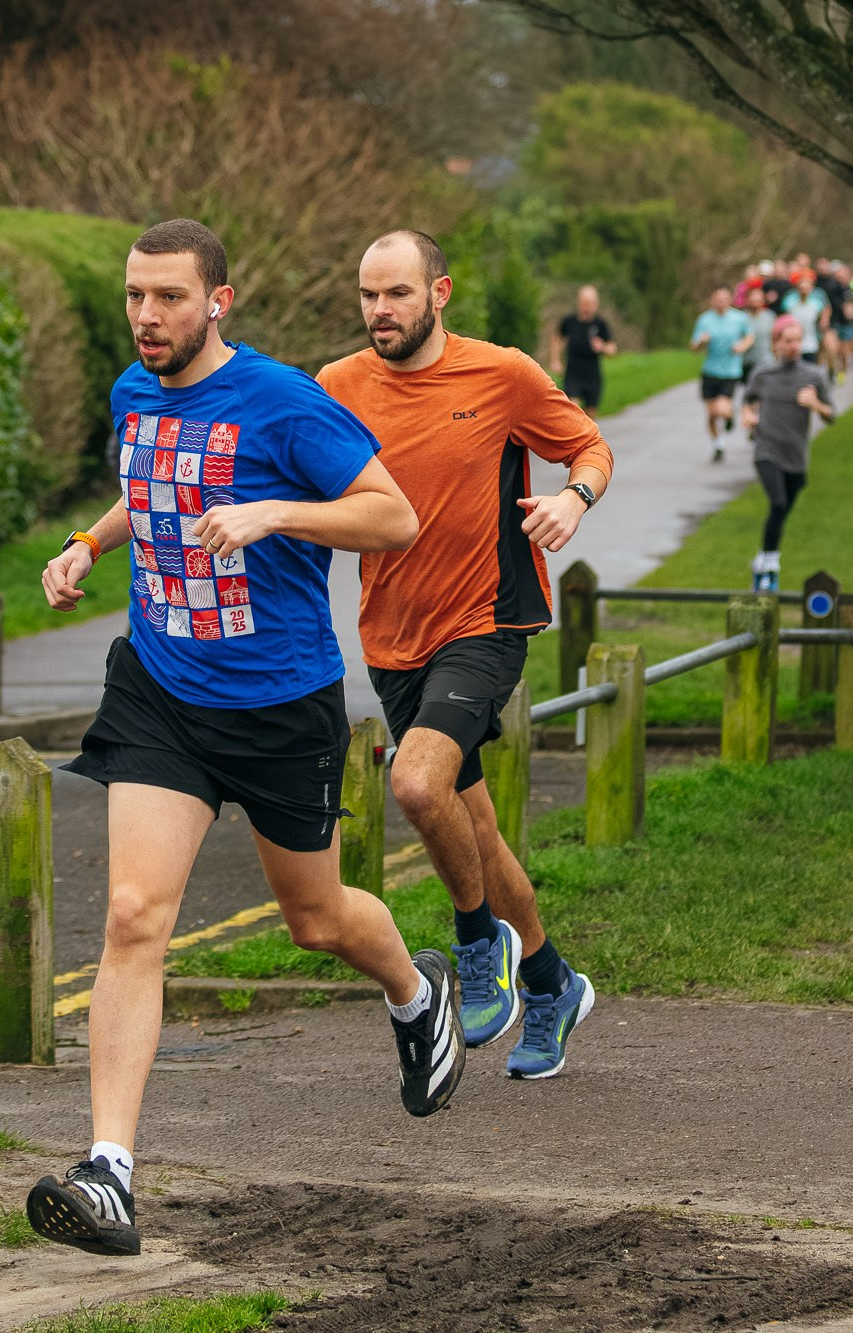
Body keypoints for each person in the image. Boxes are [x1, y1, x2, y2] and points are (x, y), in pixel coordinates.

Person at [27, 219, 462, 1259]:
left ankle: (415, 991)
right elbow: (157, 490)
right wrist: (89, 542)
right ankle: (110, 1173)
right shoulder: (136, 394)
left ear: (218, 302)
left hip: (277, 705)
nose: (146, 317)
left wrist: (274, 514)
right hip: (161, 691)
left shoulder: (282, 402)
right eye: (134, 296)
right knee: (135, 914)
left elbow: (389, 516)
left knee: (314, 920)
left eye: (168, 298)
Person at [319, 230, 614, 1078]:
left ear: (438, 292)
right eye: (369, 295)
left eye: (398, 294)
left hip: (486, 622)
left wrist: (574, 499)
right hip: (392, 635)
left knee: (415, 783)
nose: (381, 311)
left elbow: (589, 444)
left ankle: (478, 943)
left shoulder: (503, 374)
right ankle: (555, 983)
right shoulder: (337, 386)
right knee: (473, 830)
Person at [741, 315, 834, 590]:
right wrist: (748, 416)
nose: (794, 346)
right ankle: (770, 562)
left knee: (781, 510)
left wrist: (815, 403)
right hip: (766, 450)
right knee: (778, 503)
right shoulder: (763, 374)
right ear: (776, 344)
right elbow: (748, 401)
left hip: (796, 456)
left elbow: (832, 415)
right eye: (788, 341)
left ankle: (762, 559)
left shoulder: (813, 375)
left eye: (798, 340)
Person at [690, 286, 754, 463]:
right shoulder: (705, 319)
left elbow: (750, 337)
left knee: (721, 408)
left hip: (731, 372)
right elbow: (693, 347)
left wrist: (742, 346)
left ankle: (729, 415)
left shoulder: (739, 318)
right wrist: (701, 342)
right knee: (711, 414)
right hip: (710, 371)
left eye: (724, 299)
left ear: (730, 300)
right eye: (717, 299)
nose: (720, 302)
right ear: (712, 301)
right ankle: (718, 444)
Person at [551, 285, 616, 415]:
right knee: (574, 412)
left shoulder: (600, 324)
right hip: (573, 375)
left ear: (596, 304)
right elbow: (557, 338)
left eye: (591, 304)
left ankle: (587, 435)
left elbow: (612, 350)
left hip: (592, 376)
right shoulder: (569, 322)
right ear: (579, 302)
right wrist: (555, 360)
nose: (587, 308)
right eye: (585, 304)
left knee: (590, 418)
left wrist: (602, 347)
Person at [780, 268, 830, 365]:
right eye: (802, 283)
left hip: (811, 344)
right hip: (793, 345)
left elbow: (823, 318)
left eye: (807, 283)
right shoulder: (789, 301)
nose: (804, 286)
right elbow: (783, 319)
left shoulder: (817, 303)